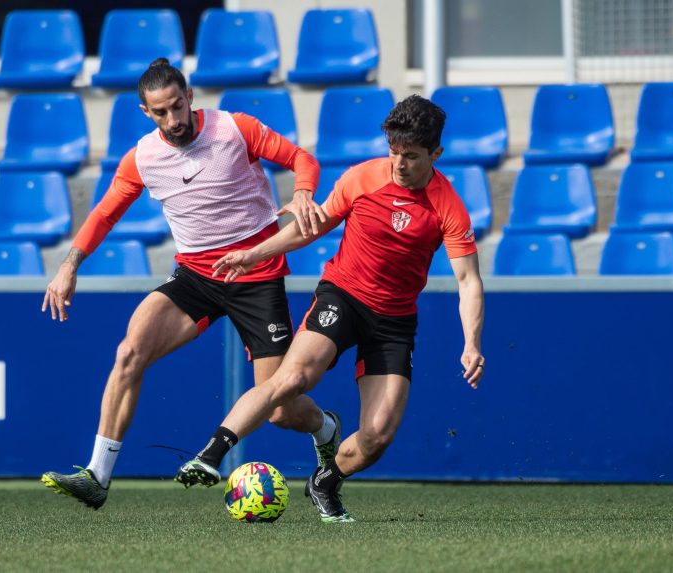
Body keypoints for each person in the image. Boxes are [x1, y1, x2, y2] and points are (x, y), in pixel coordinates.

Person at [40, 58, 341, 510]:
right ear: (146, 112)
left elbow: (302, 158)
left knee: (279, 409)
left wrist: (301, 192)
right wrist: (69, 265)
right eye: (161, 112)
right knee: (129, 352)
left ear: (190, 97)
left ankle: (325, 428)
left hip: (256, 276)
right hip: (196, 276)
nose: (173, 120)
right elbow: (104, 214)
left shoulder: (234, 128)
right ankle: (97, 476)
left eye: (178, 107)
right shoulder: (143, 156)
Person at [175, 95, 486, 523]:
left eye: (411, 156)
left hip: (393, 321)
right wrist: (253, 254)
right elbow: (312, 227)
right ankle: (211, 454)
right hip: (343, 296)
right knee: (293, 378)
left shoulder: (447, 205)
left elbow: (468, 281)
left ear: (436, 154)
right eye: (394, 152)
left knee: (377, 436)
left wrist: (471, 344)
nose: (399, 164)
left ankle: (326, 479)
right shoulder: (362, 178)